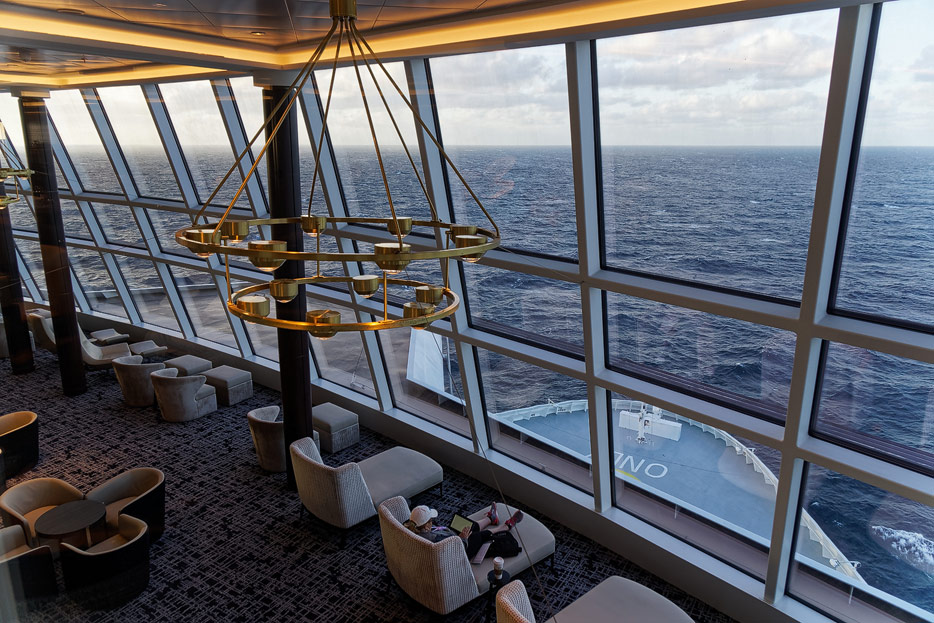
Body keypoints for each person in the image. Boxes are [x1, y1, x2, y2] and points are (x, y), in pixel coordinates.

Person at [403, 503, 524, 560]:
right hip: (459, 553)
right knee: (476, 536)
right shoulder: (433, 541)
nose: (433, 521)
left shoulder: (412, 528)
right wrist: (463, 538)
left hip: (449, 536)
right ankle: (505, 527)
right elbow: (452, 552)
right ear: (426, 525)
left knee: (467, 526)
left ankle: (491, 518)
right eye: (431, 520)